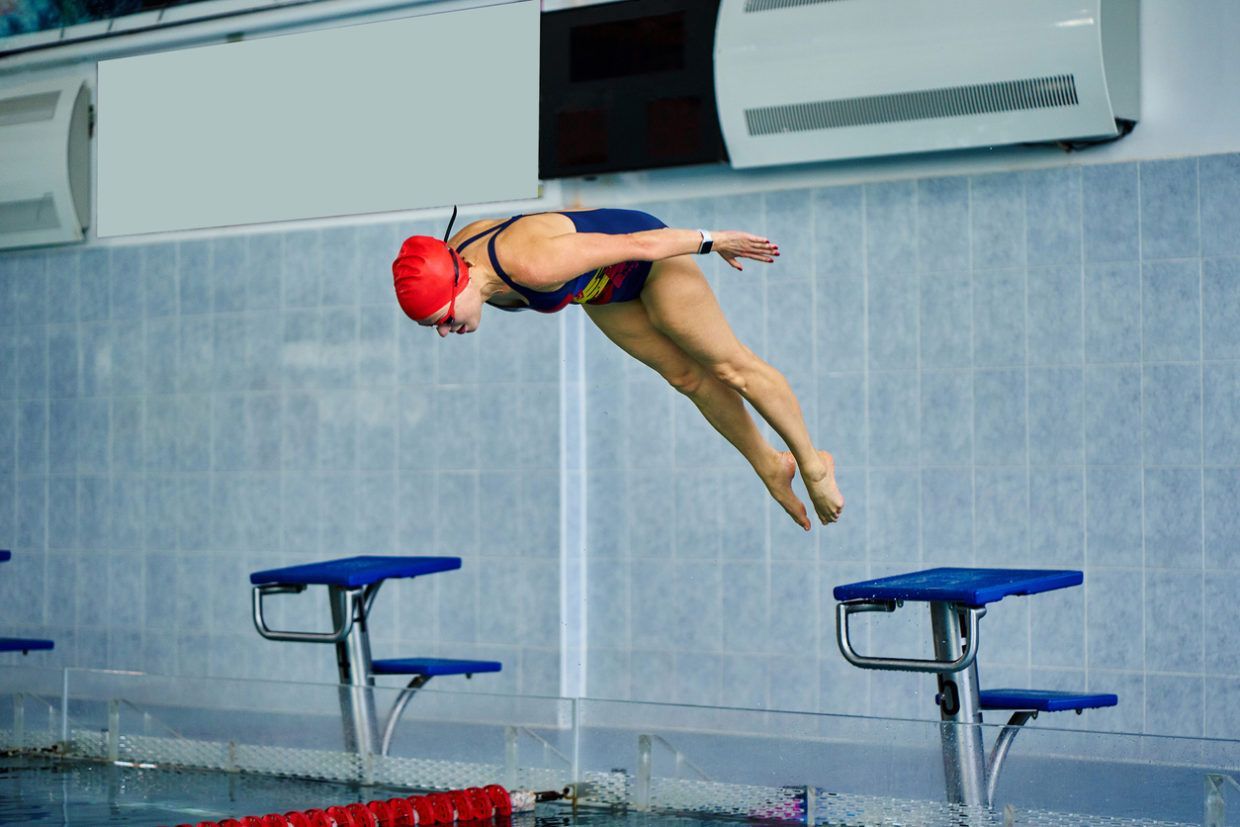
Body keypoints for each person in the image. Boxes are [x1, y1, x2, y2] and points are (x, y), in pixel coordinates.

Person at [392, 207, 843, 530]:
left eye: (443, 319)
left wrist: (715, 239)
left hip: (647, 260)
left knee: (729, 366)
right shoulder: (450, 257)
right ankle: (769, 466)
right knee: (686, 378)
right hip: (598, 286)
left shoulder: (530, 263)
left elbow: (638, 244)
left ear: (461, 279)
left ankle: (812, 463)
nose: (445, 332)